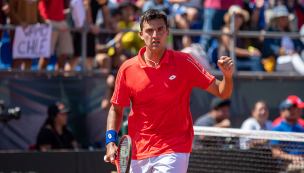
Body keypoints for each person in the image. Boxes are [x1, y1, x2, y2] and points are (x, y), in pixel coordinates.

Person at [104, 9, 234, 173]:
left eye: (160, 30)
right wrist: (110, 142)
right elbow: (116, 109)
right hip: (138, 151)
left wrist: (227, 76)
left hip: (174, 148)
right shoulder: (127, 69)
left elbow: (223, 92)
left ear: (167, 33)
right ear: (141, 35)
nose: (155, 35)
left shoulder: (185, 62)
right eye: (149, 31)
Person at [218, 5, 264, 71]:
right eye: (235, 16)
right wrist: (249, 52)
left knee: (256, 58)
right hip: (228, 61)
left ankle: (259, 79)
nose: (238, 18)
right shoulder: (226, 30)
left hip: (240, 59)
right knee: (255, 63)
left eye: (240, 16)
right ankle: (259, 80)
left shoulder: (242, 30)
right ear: (230, 18)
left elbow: (246, 46)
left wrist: (252, 50)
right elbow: (231, 49)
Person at [263, 5, 304, 73]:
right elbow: (269, 47)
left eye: (285, 17)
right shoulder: (271, 31)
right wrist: (285, 52)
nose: (284, 19)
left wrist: (296, 51)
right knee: (295, 58)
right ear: (277, 19)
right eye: (282, 17)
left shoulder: (291, 31)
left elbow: (301, 45)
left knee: (295, 60)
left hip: (293, 60)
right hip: (278, 61)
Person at [7, 0, 45, 69]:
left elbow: (37, 11)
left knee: (29, 58)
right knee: (18, 58)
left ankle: (26, 79)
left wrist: (43, 23)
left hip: (32, 31)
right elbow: (10, 11)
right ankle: (12, 79)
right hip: (18, 32)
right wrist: (20, 22)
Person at [38, 0, 74, 70]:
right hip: (48, 21)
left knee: (64, 53)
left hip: (62, 21)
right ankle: (41, 76)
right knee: (46, 54)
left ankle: (59, 78)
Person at [271, 99, 304, 172]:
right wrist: (293, 158)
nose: (292, 111)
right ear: (282, 112)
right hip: (286, 164)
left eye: (294, 109)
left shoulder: (300, 127)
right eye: (289, 109)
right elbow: (275, 152)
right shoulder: (278, 129)